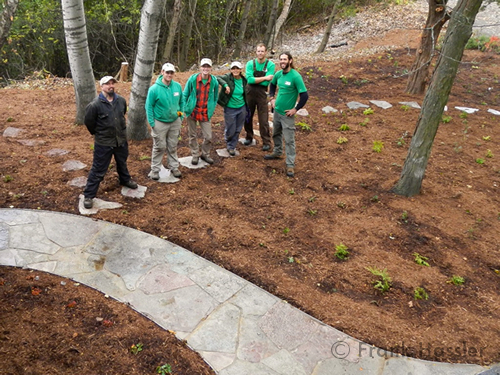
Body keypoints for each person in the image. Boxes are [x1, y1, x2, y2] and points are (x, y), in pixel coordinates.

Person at [83, 76, 138, 209]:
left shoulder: (121, 101)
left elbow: (122, 114)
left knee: (122, 163)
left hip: (120, 140)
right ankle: (89, 195)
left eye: (112, 83)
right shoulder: (95, 105)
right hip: (104, 143)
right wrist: (100, 134)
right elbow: (89, 123)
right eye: (107, 84)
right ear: (101, 87)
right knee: (98, 169)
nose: (111, 86)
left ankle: (125, 180)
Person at [264, 52, 308, 178]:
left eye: (284, 59)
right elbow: (272, 84)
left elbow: (305, 95)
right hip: (277, 110)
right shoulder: (278, 74)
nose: (282, 61)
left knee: (289, 140)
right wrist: (272, 98)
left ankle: (290, 164)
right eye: (281, 59)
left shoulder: (295, 76)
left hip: (287, 114)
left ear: (290, 61)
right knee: (276, 133)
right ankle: (277, 151)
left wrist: (295, 109)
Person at [145, 63, 184, 180]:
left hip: (174, 121)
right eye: (167, 72)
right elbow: (149, 107)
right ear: (162, 72)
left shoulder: (177, 87)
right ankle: (155, 170)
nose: (169, 74)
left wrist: (180, 116)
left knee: (172, 145)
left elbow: (181, 103)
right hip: (160, 122)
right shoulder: (154, 89)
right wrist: (152, 123)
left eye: (171, 72)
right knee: (159, 146)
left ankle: (174, 167)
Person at [183, 58, 219, 165]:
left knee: (208, 136)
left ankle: (205, 154)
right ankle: (195, 155)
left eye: (208, 67)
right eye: (204, 66)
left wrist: (212, 108)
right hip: (192, 111)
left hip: (205, 112)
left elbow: (215, 96)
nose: (206, 68)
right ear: (200, 67)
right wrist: (185, 108)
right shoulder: (193, 79)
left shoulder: (214, 81)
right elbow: (185, 94)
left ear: (211, 68)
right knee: (192, 135)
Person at [244, 43, 275, 151]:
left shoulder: (270, 65)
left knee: (264, 119)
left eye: (262, 51)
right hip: (249, 93)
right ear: (256, 52)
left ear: (265, 52)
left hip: (262, 94)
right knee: (247, 116)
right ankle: (249, 136)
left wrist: (258, 80)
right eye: (258, 51)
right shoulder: (249, 63)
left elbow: (266, 84)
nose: (260, 53)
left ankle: (266, 142)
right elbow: (249, 80)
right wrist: (265, 77)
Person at [216, 61, 247, 156]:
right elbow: (217, 78)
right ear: (230, 70)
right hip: (230, 108)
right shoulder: (228, 77)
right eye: (233, 68)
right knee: (231, 129)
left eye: (237, 68)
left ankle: (231, 146)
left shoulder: (244, 80)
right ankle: (229, 141)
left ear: (241, 70)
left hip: (242, 107)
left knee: (238, 128)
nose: (235, 70)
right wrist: (225, 85)